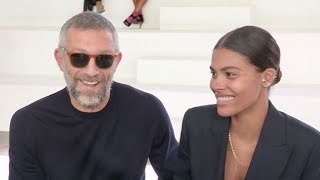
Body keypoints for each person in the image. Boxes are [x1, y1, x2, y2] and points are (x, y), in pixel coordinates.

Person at [9, 11, 178, 180]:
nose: (91, 71)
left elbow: (177, 174)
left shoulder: (147, 110)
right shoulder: (29, 124)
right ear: (60, 59)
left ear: (116, 61)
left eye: (104, 59)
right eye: (79, 58)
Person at [174, 26, 320, 180]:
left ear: (267, 77)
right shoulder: (196, 123)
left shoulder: (308, 146)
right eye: (214, 73)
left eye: (230, 74)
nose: (215, 84)